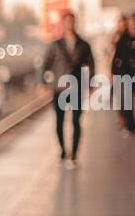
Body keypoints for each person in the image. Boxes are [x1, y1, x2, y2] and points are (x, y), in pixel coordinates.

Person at [39, 10, 95, 167]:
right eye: (67, 21)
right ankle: (63, 150)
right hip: (60, 89)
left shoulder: (84, 45)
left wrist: (90, 83)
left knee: (77, 121)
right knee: (59, 122)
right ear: (63, 24)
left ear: (75, 23)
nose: (69, 24)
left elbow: (91, 65)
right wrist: (42, 83)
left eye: (72, 21)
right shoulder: (55, 45)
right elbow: (45, 64)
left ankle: (74, 155)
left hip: (77, 88)